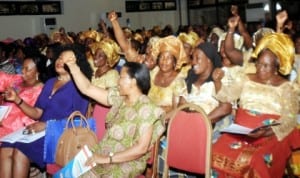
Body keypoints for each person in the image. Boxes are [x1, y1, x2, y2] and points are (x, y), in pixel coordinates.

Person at [211, 33, 299, 178]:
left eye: (266, 66)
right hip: (241, 132)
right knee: (216, 151)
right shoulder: (246, 78)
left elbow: (290, 119)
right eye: (258, 63)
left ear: (276, 68)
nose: (260, 69)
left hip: (272, 134)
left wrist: (266, 132)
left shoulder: (287, 88)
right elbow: (227, 96)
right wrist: (217, 81)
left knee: (256, 160)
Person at [0, 44, 92, 178]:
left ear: (75, 64)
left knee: (20, 151)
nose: (60, 62)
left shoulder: (79, 86)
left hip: (60, 134)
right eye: (60, 58)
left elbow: (78, 120)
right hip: (39, 132)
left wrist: (46, 125)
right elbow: (37, 112)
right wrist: (17, 99)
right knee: (6, 145)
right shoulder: (50, 82)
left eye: (66, 60)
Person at [64, 58, 165, 177]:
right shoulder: (119, 97)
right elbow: (88, 89)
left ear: (133, 81)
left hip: (129, 161)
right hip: (105, 151)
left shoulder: (147, 109)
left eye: (121, 77)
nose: (118, 81)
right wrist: (73, 67)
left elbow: (141, 149)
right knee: (74, 171)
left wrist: (107, 159)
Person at [0, 55, 45, 138]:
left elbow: (35, 114)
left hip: (14, 127)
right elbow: (3, 78)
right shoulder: (18, 79)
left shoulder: (40, 90)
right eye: (22, 67)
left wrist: (17, 99)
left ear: (37, 72)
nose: (22, 71)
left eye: (27, 69)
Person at [148, 35, 188, 113]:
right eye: (162, 57)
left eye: (169, 58)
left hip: (166, 120)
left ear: (174, 62)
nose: (164, 61)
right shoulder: (153, 73)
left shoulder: (178, 81)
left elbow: (176, 110)